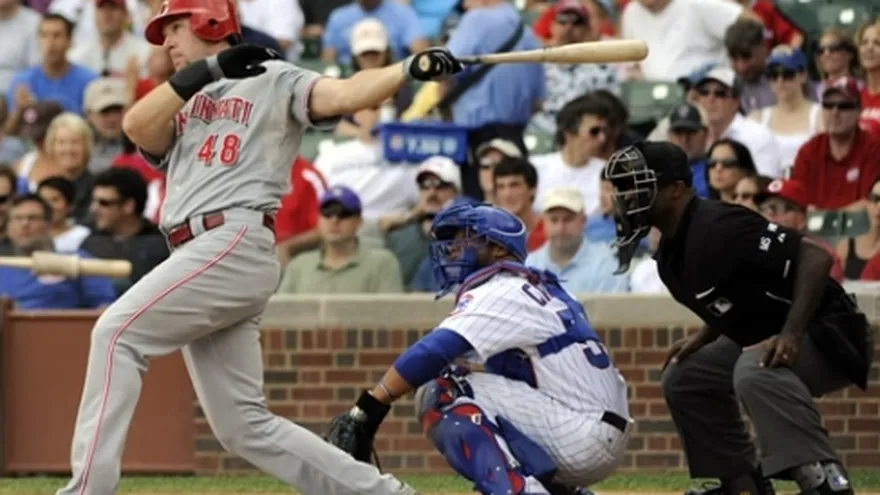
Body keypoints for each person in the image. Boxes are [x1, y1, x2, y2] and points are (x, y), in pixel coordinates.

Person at [54, 0, 465, 492]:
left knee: (116, 335)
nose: (166, 42)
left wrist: (405, 70)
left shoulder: (275, 76)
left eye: (175, 27)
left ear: (210, 21)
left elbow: (343, 93)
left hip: (233, 237)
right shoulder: (180, 93)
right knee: (242, 426)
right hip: (194, 250)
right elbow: (138, 126)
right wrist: (205, 72)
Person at [603, 141, 873, 495]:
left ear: (676, 190)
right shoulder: (671, 253)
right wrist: (705, 335)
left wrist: (791, 334)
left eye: (636, 185)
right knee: (685, 375)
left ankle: (822, 479)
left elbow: (815, 258)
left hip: (831, 330)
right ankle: (742, 483)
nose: (626, 196)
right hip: (774, 333)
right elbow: (738, 293)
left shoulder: (721, 225)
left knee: (754, 368)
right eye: (621, 187)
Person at [323, 201, 631, 495]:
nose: (453, 249)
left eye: (464, 240)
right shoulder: (540, 287)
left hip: (580, 432)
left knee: (441, 390)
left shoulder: (502, 287)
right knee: (467, 382)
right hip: (593, 426)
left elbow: (433, 350)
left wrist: (369, 407)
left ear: (498, 248)